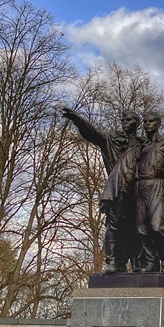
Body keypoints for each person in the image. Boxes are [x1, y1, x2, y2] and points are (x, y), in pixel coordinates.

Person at [62, 107, 144, 273]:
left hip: (138, 192)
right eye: (123, 120)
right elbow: (91, 133)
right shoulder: (111, 138)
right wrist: (78, 120)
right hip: (117, 189)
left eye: (128, 120)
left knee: (137, 228)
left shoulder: (144, 144)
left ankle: (137, 264)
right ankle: (112, 262)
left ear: (136, 124)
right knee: (114, 226)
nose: (124, 122)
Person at [135, 111, 164, 274]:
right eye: (145, 121)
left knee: (157, 227)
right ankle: (151, 262)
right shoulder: (142, 146)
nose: (147, 124)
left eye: (151, 121)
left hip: (156, 184)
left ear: (158, 123)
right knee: (141, 229)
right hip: (139, 187)